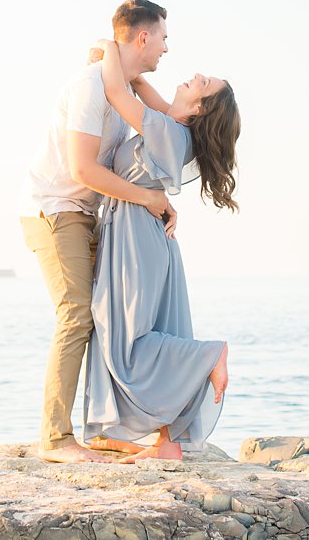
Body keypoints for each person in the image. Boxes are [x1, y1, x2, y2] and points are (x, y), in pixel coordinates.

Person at [18, 0, 178, 464]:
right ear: (143, 38)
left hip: (89, 214)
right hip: (53, 209)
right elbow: (83, 169)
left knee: (106, 317)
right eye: (163, 37)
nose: (168, 47)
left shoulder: (120, 82)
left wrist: (110, 50)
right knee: (76, 315)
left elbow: (165, 113)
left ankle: (104, 428)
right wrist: (148, 198)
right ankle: (54, 438)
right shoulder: (91, 86)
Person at [81, 36, 241, 463]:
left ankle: (211, 353)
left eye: (201, 82)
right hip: (142, 236)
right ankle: (166, 442)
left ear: (201, 108)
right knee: (155, 333)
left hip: (137, 240)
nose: (191, 77)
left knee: (131, 344)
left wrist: (108, 46)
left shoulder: (170, 131)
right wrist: (116, 60)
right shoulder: (169, 125)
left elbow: (118, 91)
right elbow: (135, 88)